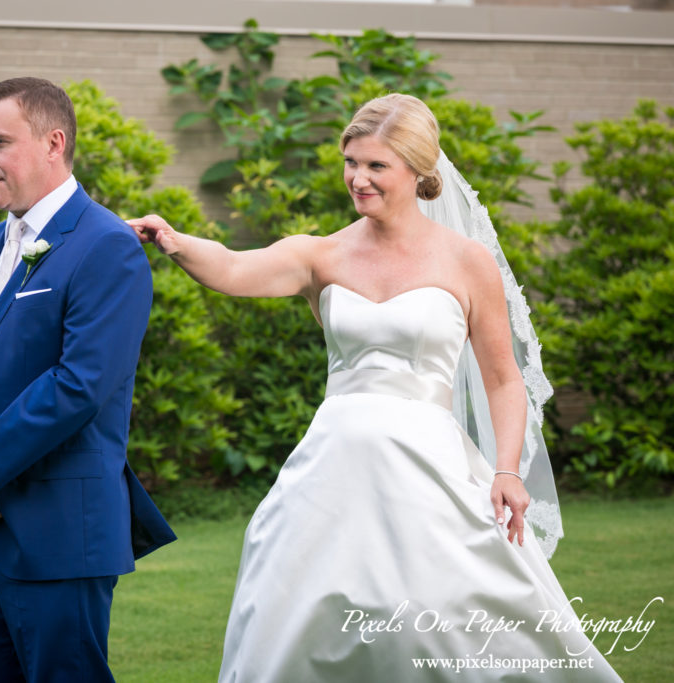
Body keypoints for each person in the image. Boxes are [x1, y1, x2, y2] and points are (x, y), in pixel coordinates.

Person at [128, 94, 622, 681]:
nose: (358, 179)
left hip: (429, 465)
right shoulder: (322, 253)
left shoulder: (467, 262)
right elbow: (235, 268)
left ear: (420, 171)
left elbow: (502, 378)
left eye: (376, 166)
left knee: (443, 616)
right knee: (302, 610)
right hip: (333, 465)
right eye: (351, 162)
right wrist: (175, 241)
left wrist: (507, 470)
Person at [0, 77, 176, 683]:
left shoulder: (106, 246)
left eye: (0, 143)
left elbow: (78, 385)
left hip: (59, 533)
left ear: (54, 142)